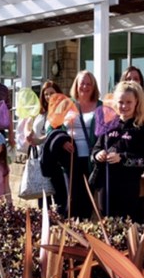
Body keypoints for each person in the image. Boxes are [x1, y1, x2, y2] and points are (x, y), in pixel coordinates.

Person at [42, 71, 102, 219]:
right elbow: (51, 128)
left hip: (91, 159)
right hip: (70, 158)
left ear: (94, 86)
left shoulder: (100, 106)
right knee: (72, 197)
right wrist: (62, 141)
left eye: (89, 83)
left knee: (88, 197)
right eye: (82, 83)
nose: (85, 86)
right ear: (76, 85)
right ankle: (72, 232)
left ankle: (86, 230)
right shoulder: (66, 104)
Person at [91, 81, 144, 220]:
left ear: (136, 102)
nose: (124, 106)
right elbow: (95, 149)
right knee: (106, 228)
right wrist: (97, 155)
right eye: (120, 102)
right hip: (106, 187)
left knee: (126, 229)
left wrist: (123, 158)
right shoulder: (109, 125)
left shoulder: (142, 129)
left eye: (128, 102)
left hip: (128, 190)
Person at [26, 80, 64, 148]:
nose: (49, 96)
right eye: (46, 94)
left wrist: (39, 140)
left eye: (52, 93)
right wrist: (28, 133)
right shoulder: (40, 112)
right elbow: (29, 124)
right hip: (37, 154)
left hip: (51, 153)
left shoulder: (61, 112)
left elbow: (55, 133)